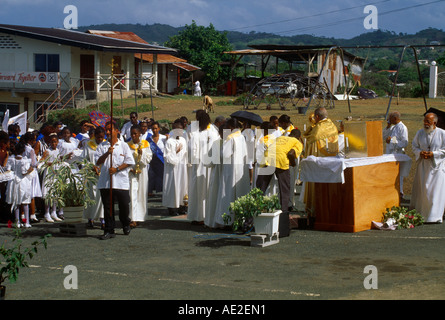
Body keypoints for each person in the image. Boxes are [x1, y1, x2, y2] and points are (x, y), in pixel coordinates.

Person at [256, 129, 303, 237]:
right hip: (281, 161)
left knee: (259, 190)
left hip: (267, 158)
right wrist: (293, 164)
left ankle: (249, 221)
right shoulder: (297, 142)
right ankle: (282, 224)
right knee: (284, 191)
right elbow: (291, 154)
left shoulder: (280, 137)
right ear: (299, 137)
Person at [95, 121, 135, 240]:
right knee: (108, 207)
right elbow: (98, 161)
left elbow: (129, 161)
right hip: (106, 182)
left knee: (123, 206)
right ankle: (109, 229)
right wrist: (108, 152)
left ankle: (125, 223)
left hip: (121, 181)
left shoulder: (124, 145)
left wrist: (117, 169)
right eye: (106, 130)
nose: (107, 132)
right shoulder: (102, 146)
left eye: (109, 129)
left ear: (117, 131)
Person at [301, 107, 339, 219]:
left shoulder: (319, 127)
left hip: (317, 159)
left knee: (315, 183)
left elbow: (310, 138)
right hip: (331, 160)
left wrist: (308, 130)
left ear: (317, 117)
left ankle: (313, 208)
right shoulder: (332, 125)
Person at [213, 118, 251, 229]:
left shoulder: (230, 139)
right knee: (239, 194)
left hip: (230, 171)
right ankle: (240, 220)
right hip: (241, 171)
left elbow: (224, 154)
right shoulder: (242, 137)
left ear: (230, 127)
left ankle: (227, 221)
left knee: (228, 195)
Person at [409, 112, 445, 223]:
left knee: (434, 192)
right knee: (423, 190)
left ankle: (434, 216)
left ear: (434, 122)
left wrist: (433, 154)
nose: (425, 123)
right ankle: (423, 214)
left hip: (437, 168)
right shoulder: (420, 133)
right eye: (424, 121)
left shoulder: (442, 133)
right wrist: (420, 153)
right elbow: (414, 146)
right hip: (423, 167)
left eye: (428, 121)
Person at [187, 110, 219, 224]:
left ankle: (198, 216)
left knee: (198, 191)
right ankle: (206, 216)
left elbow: (191, 149)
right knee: (207, 190)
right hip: (209, 165)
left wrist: (192, 161)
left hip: (199, 165)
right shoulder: (214, 131)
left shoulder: (196, 133)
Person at [5, 141, 35, 228]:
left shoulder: (11, 159)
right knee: (25, 202)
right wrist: (30, 170)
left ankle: (17, 221)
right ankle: (26, 222)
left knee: (16, 202)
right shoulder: (25, 161)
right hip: (23, 182)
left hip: (14, 181)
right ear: (23, 151)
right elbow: (23, 172)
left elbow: (8, 169)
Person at [80, 126, 106, 229]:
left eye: (101, 137)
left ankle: (102, 219)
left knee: (101, 198)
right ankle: (90, 219)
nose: (100, 139)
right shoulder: (88, 145)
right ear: (94, 136)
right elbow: (83, 160)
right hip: (91, 175)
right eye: (98, 137)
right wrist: (91, 167)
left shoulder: (105, 145)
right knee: (91, 197)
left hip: (102, 175)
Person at [162, 119, 188, 216]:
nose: (180, 132)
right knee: (173, 187)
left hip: (182, 168)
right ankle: (172, 208)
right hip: (172, 169)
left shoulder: (183, 140)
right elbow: (167, 157)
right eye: (178, 129)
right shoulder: (169, 142)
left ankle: (182, 206)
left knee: (182, 186)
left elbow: (186, 154)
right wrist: (175, 152)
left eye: (181, 129)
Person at [128, 124, 152, 227]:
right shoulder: (127, 145)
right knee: (132, 194)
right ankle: (132, 218)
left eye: (135, 134)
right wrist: (130, 168)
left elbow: (148, 159)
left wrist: (141, 155)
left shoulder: (145, 145)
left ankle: (140, 217)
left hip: (142, 172)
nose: (133, 136)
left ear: (139, 134)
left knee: (141, 194)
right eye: (132, 134)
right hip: (131, 173)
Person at [382, 111, 409, 196]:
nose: (388, 120)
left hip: (398, 154)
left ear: (395, 118)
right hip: (390, 153)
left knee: (398, 175)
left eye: (390, 119)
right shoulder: (393, 127)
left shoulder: (402, 128)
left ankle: (400, 192)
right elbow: (384, 136)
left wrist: (392, 141)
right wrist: (388, 126)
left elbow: (405, 142)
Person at [39, 133, 63, 222]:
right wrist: (46, 163)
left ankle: (54, 212)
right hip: (49, 172)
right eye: (52, 142)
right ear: (50, 142)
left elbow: (59, 160)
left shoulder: (58, 150)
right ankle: (46, 212)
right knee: (48, 193)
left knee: (55, 193)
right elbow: (41, 160)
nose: (54, 144)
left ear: (58, 142)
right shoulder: (47, 151)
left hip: (56, 172)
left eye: (55, 142)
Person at [21, 132, 42, 223]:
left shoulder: (21, 147)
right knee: (31, 194)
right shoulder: (30, 150)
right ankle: (32, 215)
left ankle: (22, 215)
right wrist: (42, 159)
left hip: (22, 172)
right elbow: (34, 164)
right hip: (30, 172)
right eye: (34, 140)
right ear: (30, 140)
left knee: (23, 194)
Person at [147, 121, 167, 195]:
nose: (154, 130)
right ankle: (150, 191)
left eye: (156, 128)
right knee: (151, 176)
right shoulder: (149, 140)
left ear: (159, 128)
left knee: (162, 176)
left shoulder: (164, 138)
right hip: (152, 161)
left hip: (161, 160)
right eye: (153, 129)